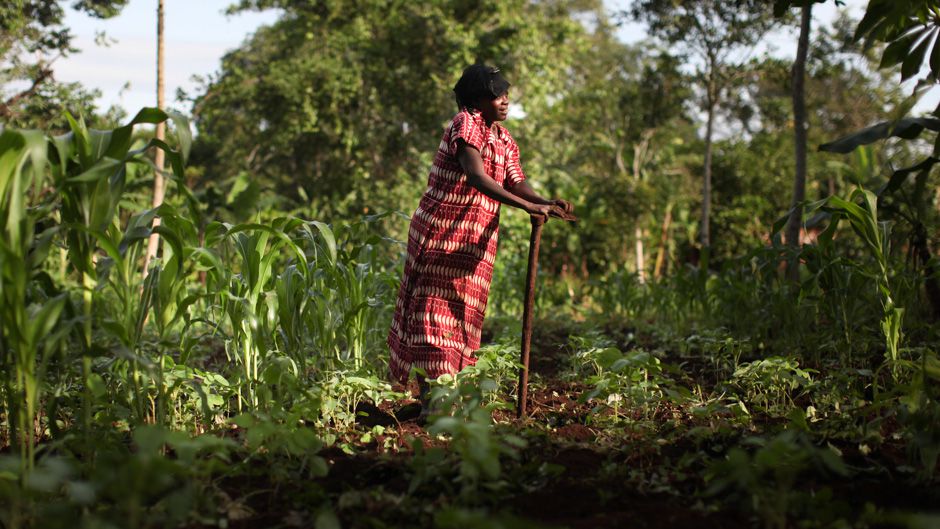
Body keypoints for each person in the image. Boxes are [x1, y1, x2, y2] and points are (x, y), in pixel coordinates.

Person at [387, 64, 572, 419]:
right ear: (478, 99)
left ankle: (444, 403)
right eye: (497, 95)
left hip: (474, 246)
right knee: (433, 317)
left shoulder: (503, 139)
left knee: (460, 318)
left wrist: (546, 203)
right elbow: (476, 176)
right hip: (441, 237)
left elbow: (515, 181)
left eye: (506, 94)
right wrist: (527, 206)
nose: (505, 101)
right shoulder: (464, 124)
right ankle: (436, 406)